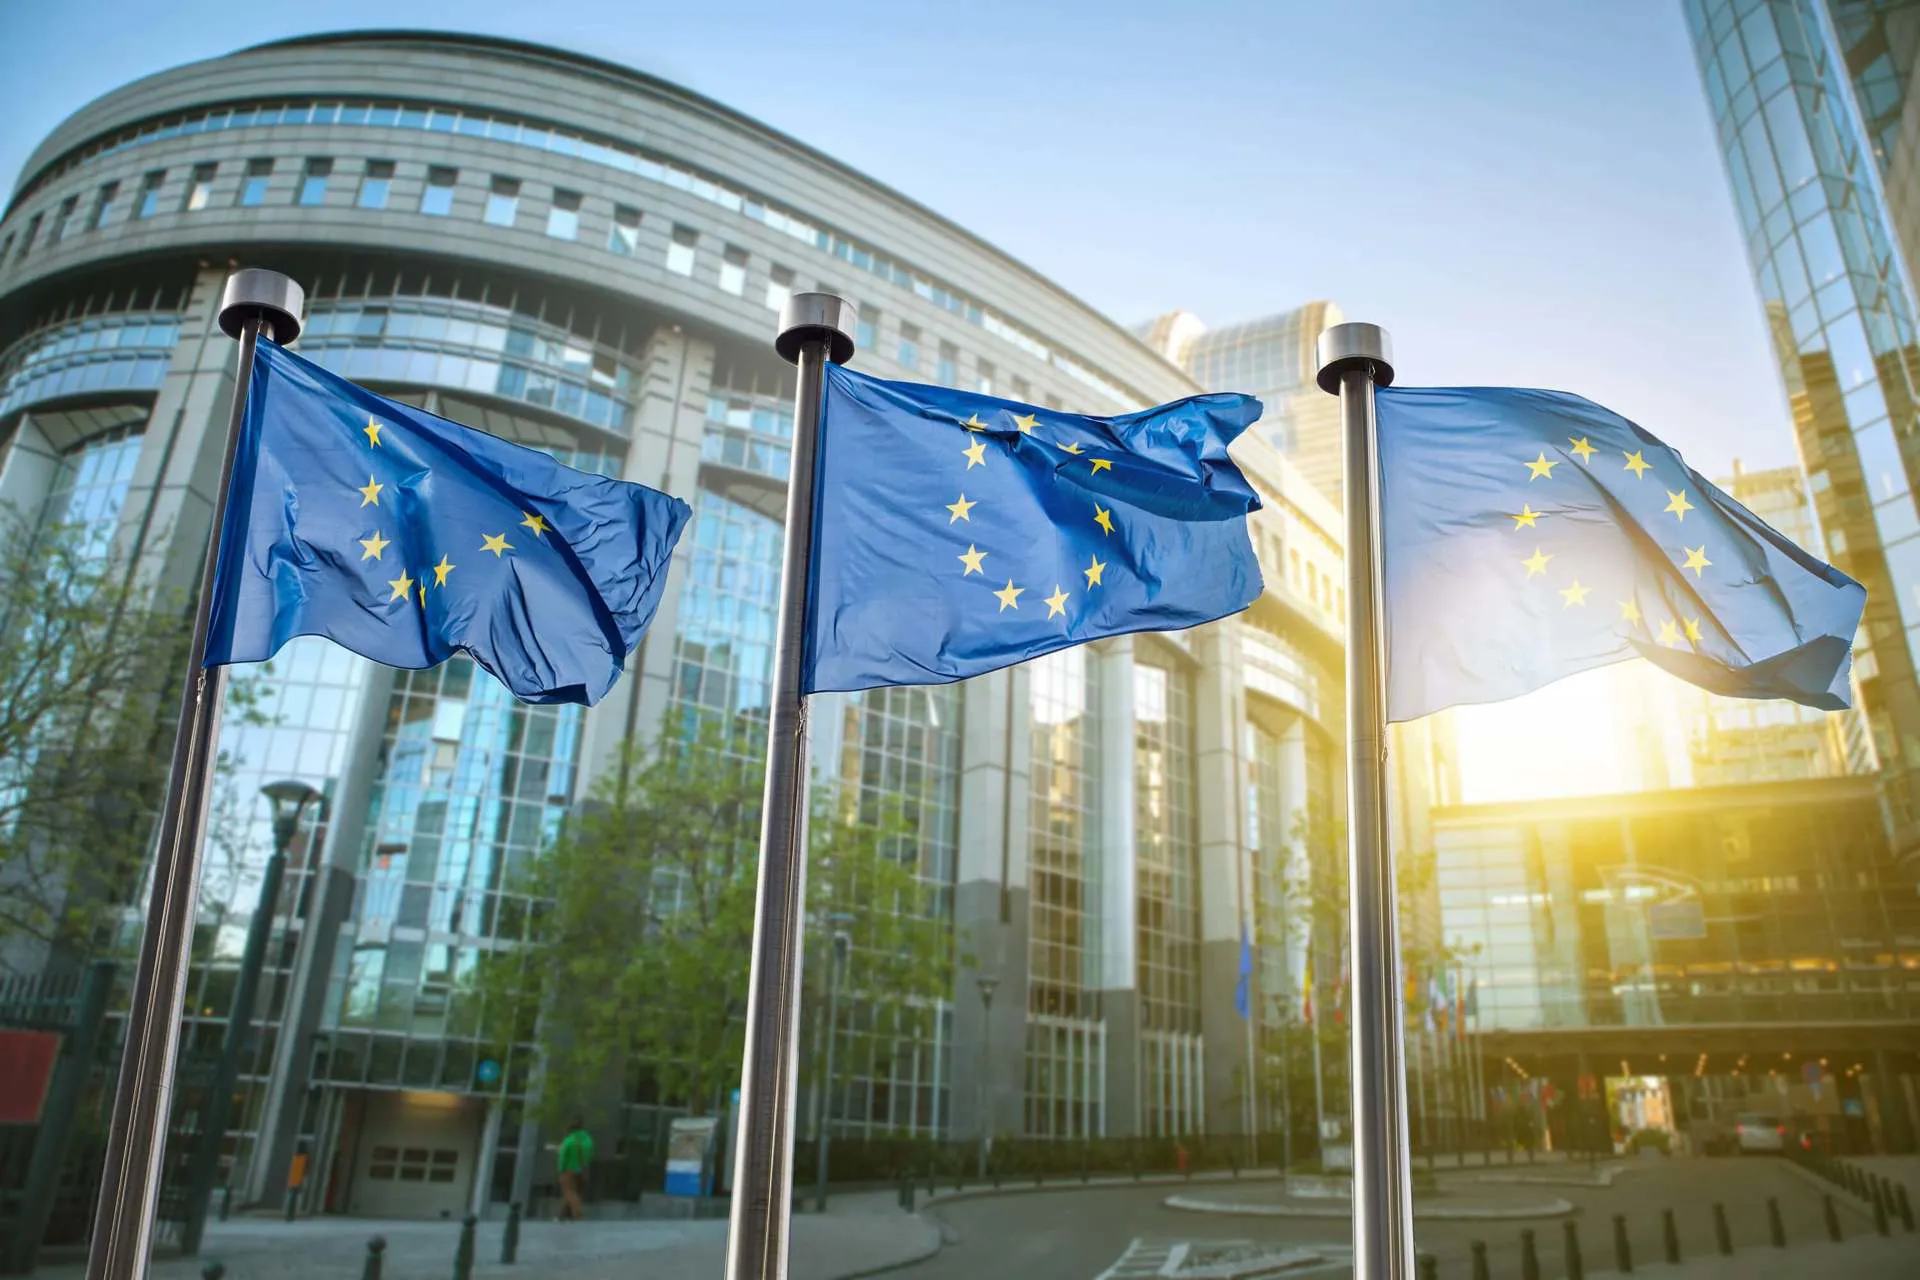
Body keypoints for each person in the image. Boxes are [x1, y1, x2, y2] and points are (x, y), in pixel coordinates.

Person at [556, 1117, 593, 1221]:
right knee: (572, 1191)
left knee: (569, 1192)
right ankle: (563, 1215)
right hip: (578, 1168)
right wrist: (584, 1163)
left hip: (567, 1169)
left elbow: (563, 1157)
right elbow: (587, 1154)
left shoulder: (569, 1141)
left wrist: (561, 1169)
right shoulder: (586, 1139)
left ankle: (578, 1214)